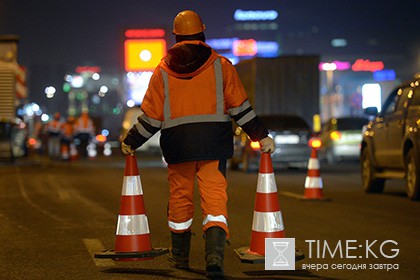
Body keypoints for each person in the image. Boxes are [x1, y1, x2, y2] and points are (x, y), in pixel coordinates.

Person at [121, 10, 275, 279]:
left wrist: (131, 140)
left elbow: (152, 118)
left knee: (180, 200)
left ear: (176, 36)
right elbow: (241, 108)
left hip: (178, 146)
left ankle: (180, 257)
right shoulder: (221, 65)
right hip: (213, 144)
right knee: (215, 198)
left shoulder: (162, 71)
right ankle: (214, 258)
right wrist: (260, 136)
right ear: (202, 32)